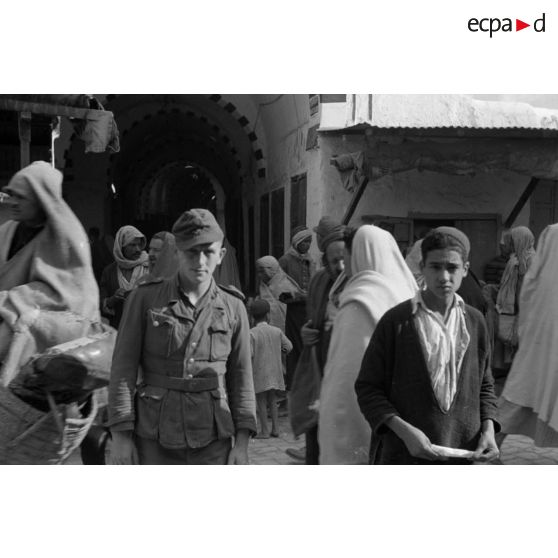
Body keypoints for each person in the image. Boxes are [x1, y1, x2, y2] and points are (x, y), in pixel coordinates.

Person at [107, 208, 257, 465]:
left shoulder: (233, 307)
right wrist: (121, 437)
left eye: (208, 252)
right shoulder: (144, 299)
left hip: (212, 437)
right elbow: (123, 369)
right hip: (154, 435)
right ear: (177, 252)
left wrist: (242, 443)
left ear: (220, 255)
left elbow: (242, 377)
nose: (199, 261)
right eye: (191, 251)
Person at [355, 228, 500, 465]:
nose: (444, 277)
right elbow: (368, 388)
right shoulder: (396, 322)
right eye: (435, 267)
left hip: (462, 455)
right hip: (404, 454)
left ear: (465, 268)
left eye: (452, 267)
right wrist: (404, 432)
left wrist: (488, 430)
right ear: (422, 267)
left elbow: (485, 385)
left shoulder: (475, 322)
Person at [318, 225, 418, 464]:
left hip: (363, 424)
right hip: (403, 420)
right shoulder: (407, 294)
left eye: (347, 256)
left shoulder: (359, 303)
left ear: (357, 255)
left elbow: (347, 379)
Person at [0, 162, 101, 386]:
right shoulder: (7, 230)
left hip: (63, 324)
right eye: (11, 195)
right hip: (13, 311)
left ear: (40, 198)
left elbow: (68, 295)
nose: (13, 203)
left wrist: (9, 299)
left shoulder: (65, 236)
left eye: (21, 197)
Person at [287, 216, 346, 463]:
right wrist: (307, 333)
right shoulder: (320, 281)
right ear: (325, 259)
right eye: (334, 261)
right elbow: (313, 321)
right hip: (322, 374)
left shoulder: (363, 284)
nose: (341, 267)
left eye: (345, 260)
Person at [498, 224, 558, 446]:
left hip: (540, 341)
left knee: (520, 394)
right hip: (541, 343)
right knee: (520, 395)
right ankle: (488, 447)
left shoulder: (538, 262)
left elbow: (527, 292)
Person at [249, 299, 292, 439]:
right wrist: (281, 351)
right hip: (275, 372)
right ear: (268, 315)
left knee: (261, 401)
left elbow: (249, 354)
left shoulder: (251, 333)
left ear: (252, 317)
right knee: (272, 400)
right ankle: (275, 429)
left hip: (259, 372)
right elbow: (289, 347)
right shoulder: (277, 331)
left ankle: (265, 431)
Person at [99, 226, 149, 329]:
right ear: (121, 246)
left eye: (139, 244)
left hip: (145, 329)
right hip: (119, 329)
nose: (137, 249)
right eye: (132, 245)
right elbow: (100, 302)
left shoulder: (149, 267)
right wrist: (112, 300)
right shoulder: (109, 271)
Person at [255, 256, 304, 332]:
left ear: (272, 270)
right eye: (258, 272)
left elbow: (290, 313)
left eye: (262, 272)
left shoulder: (286, 287)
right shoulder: (263, 286)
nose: (259, 275)